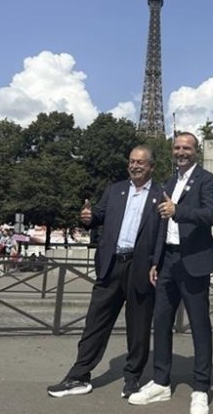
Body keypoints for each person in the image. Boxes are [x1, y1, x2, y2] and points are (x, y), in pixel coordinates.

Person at [47, 146, 162, 399]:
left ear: (151, 166)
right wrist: (88, 217)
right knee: (95, 323)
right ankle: (78, 375)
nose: (135, 166)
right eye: (131, 161)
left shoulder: (161, 195)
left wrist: (157, 263)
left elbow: (164, 234)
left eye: (140, 162)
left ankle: (133, 377)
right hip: (111, 264)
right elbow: (98, 215)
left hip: (141, 267)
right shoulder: (115, 190)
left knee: (139, 326)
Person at [127, 132, 213, 414]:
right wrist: (156, 260)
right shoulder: (168, 182)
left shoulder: (207, 179)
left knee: (199, 324)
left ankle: (201, 387)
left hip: (193, 260)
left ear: (196, 151)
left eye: (187, 148)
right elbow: (159, 225)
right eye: (177, 147)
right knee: (161, 321)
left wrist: (178, 210)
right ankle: (161, 381)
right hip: (167, 259)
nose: (181, 152)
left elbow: (210, 215)